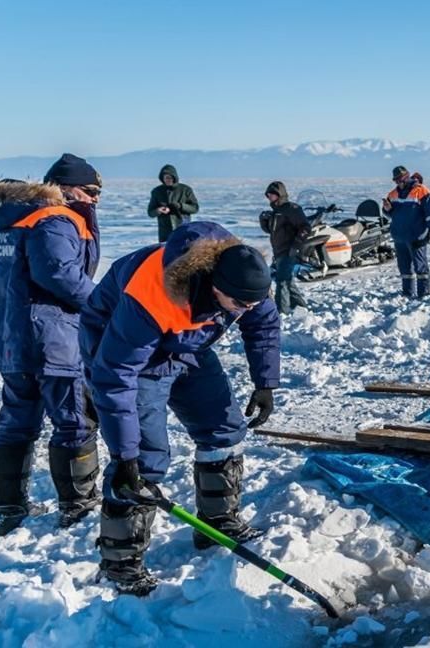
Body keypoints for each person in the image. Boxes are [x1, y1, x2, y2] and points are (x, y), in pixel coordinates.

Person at [80, 221, 280, 594]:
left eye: (252, 302)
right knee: (144, 456)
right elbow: (116, 374)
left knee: (224, 428)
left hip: (184, 346)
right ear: (215, 285)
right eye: (240, 305)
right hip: (124, 352)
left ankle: (218, 522)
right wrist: (125, 454)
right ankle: (120, 561)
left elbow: (263, 323)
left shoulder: (242, 280)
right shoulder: (153, 293)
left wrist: (265, 381)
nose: (247, 310)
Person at [0, 154, 103, 536]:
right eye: (90, 191)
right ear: (64, 188)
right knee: (73, 418)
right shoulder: (54, 219)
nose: (94, 200)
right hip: (51, 338)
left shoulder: (12, 220)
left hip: (13, 340)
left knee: (16, 420)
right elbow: (59, 274)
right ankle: (78, 504)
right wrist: (104, 306)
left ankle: (9, 506)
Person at [382, 166, 430, 298]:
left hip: (416, 236)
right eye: (396, 180)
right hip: (399, 237)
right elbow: (389, 214)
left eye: (401, 179)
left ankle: (424, 293)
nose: (399, 182)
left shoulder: (421, 191)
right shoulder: (392, 194)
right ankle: (407, 293)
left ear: (407, 177)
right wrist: (387, 209)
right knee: (404, 268)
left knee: (420, 267)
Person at [259, 181, 309, 315]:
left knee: (282, 281)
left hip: (289, 251)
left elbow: (305, 227)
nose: (269, 197)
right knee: (288, 281)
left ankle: (281, 311)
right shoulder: (277, 212)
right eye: (268, 195)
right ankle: (301, 308)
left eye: (272, 194)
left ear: (279, 194)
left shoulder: (292, 209)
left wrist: (296, 246)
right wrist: (263, 220)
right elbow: (273, 231)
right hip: (279, 251)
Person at [147, 164, 199, 243]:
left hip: (182, 228)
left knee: (183, 251)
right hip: (165, 232)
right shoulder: (157, 191)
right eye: (165, 178)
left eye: (169, 177)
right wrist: (158, 210)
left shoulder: (185, 190)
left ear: (174, 177)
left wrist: (180, 206)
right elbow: (150, 212)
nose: (167, 180)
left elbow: (195, 208)